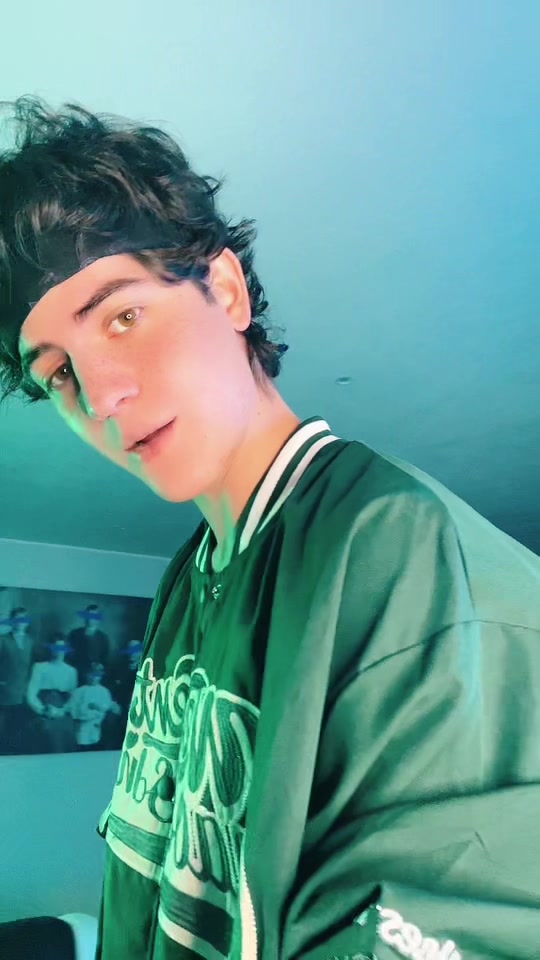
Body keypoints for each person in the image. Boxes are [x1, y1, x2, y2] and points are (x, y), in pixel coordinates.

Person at [0, 96, 539, 960]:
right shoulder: (188, 578)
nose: (100, 396)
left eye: (122, 316)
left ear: (224, 289)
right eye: (59, 371)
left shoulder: (398, 550)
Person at [26, 633, 78, 753]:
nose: (59, 652)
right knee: (47, 731)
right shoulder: (39, 667)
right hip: (45, 708)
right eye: (56, 648)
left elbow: (73, 697)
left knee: (68, 731)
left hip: (62, 710)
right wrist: (43, 710)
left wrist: (62, 711)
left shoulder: (71, 671)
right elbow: (31, 694)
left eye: (62, 648)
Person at [0, 607, 35, 753]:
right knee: (4, 728)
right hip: (5, 692)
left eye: (23, 619)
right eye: (17, 619)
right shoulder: (3, 640)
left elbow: (31, 665)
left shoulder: (30, 641)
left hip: (23, 692)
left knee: (19, 728)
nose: (20, 623)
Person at [67, 662, 121, 750]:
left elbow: (107, 707)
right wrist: (80, 717)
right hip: (83, 724)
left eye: (97, 675)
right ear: (86, 675)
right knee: (83, 744)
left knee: (97, 745)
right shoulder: (79, 691)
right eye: (91, 675)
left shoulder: (104, 691)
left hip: (98, 725)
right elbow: (73, 708)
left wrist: (99, 709)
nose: (94, 678)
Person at [68, 603, 111, 686]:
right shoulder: (74, 634)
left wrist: (99, 667)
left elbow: (105, 659)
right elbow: (69, 656)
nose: (90, 619)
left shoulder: (103, 638)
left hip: (94, 678)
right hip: (77, 675)